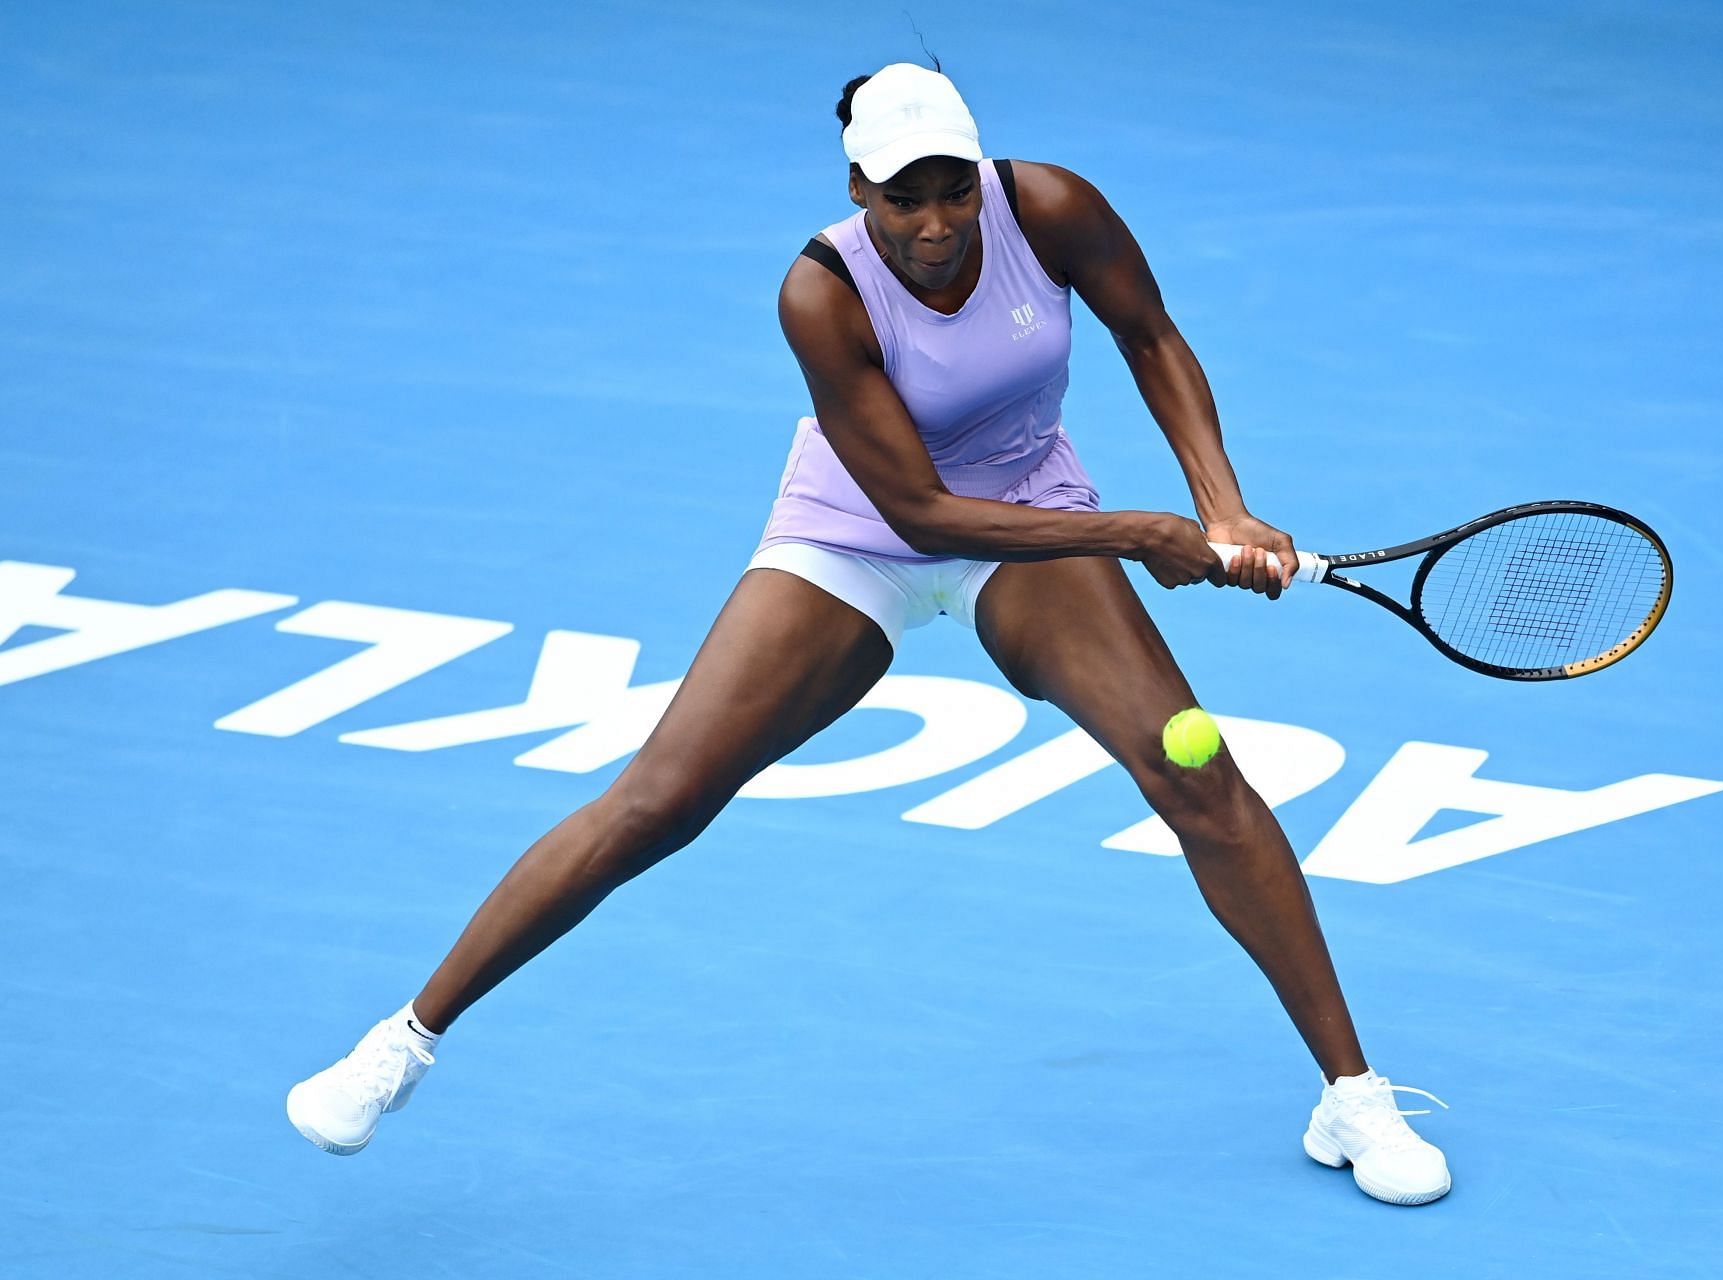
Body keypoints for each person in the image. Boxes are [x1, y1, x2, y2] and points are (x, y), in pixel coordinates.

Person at [286, 62, 1451, 1206]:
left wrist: (1221, 504)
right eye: (904, 197)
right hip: (856, 533)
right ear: (858, 188)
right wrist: (1143, 530)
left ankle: (1352, 1093)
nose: (935, 222)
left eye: (953, 189)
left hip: (1032, 516)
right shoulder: (821, 291)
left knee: (1195, 772)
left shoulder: (1050, 207)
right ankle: (401, 1041)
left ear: (981, 169)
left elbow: (1151, 337)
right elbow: (919, 513)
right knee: (660, 799)